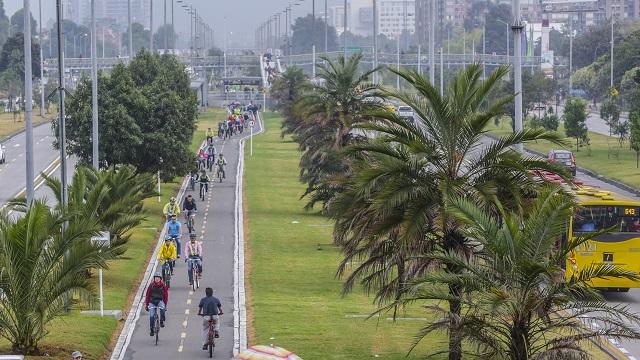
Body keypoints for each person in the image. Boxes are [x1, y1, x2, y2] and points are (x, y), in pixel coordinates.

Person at [145, 272, 169, 336]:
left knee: (162, 309)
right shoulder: (151, 285)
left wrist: (165, 305)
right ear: (154, 278)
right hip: (152, 302)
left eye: (158, 278)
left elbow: (166, 296)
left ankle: (161, 321)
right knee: (151, 316)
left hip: (159, 301)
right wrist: (147, 305)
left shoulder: (163, 285)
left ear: (160, 279)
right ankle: (152, 330)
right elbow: (147, 295)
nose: (157, 279)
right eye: (156, 278)